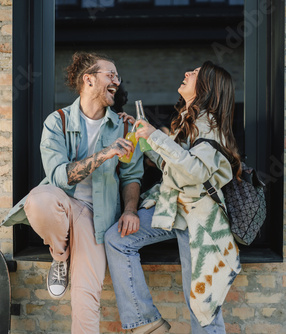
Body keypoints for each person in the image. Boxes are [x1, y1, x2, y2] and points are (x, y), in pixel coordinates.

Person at [7, 52, 144, 334]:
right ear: (88, 79)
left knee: (86, 298)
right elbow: (59, 176)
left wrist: (130, 210)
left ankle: (65, 258)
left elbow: (132, 176)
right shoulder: (56, 122)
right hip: (64, 202)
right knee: (38, 200)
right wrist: (104, 154)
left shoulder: (125, 125)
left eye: (118, 77)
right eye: (111, 74)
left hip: (98, 218)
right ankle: (60, 257)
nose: (116, 81)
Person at [105, 61, 243, 334]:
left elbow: (194, 172)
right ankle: (145, 321)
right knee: (117, 239)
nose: (187, 73)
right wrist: (144, 137)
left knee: (202, 307)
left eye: (195, 73)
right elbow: (173, 167)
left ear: (207, 88)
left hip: (200, 222)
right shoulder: (188, 121)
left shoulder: (211, 127)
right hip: (174, 209)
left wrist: (157, 136)